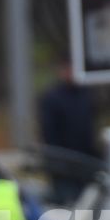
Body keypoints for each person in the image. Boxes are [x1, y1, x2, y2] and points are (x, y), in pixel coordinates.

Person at [38, 58, 102, 205]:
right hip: (62, 162)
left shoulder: (87, 94)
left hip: (87, 160)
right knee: (66, 202)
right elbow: (49, 132)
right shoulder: (52, 97)